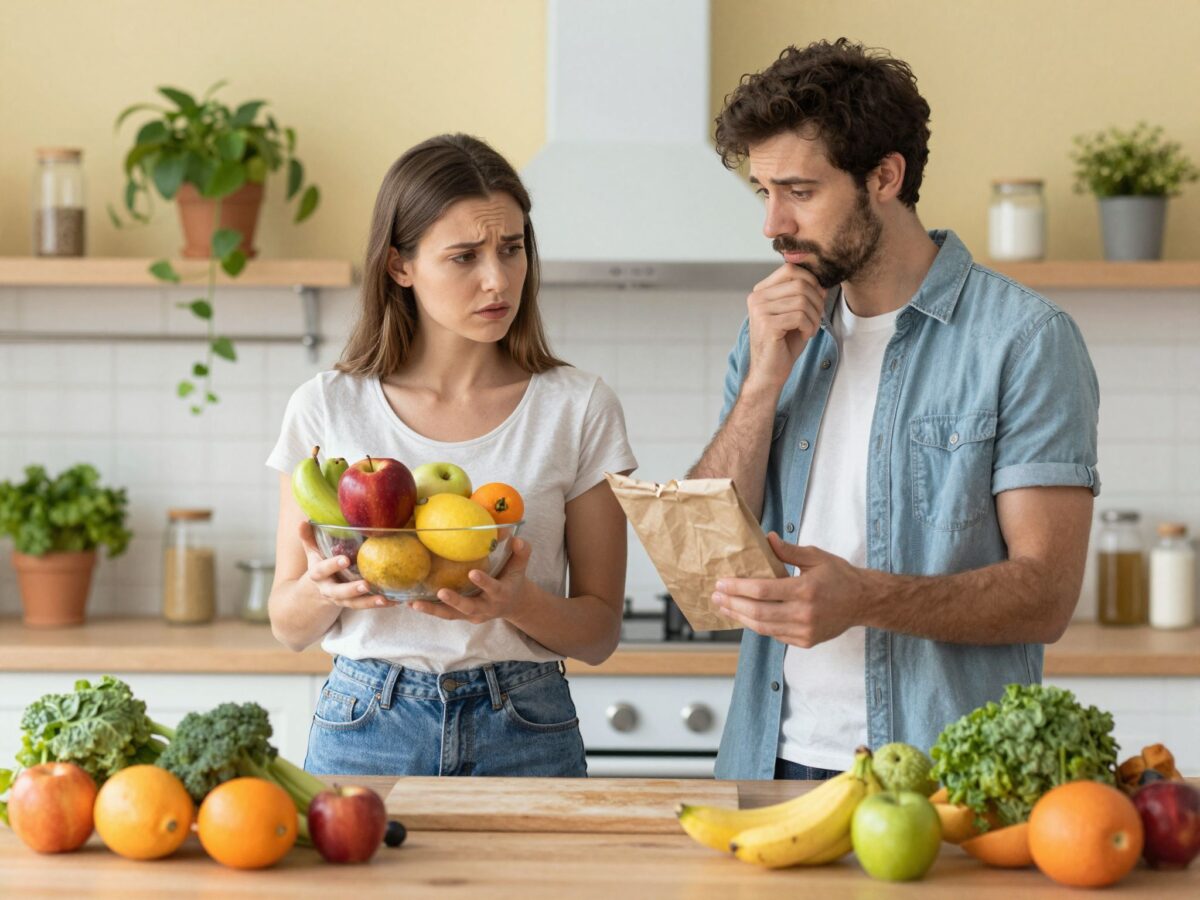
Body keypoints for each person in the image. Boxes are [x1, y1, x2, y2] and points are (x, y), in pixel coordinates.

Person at [688, 39, 1100, 780]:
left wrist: (865, 598)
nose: (772, 224)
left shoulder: (1024, 341)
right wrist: (760, 386)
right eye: (764, 192)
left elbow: (1046, 595)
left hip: (944, 773)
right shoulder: (772, 334)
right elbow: (699, 556)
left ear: (884, 176)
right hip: (768, 762)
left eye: (800, 192)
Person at [267, 133, 636, 778]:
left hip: (527, 724)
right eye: (464, 256)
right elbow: (288, 625)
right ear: (398, 266)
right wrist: (326, 590)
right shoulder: (326, 407)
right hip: (365, 721)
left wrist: (515, 603)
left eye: (512, 249)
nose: (498, 279)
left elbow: (600, 633)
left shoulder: (578, 407)